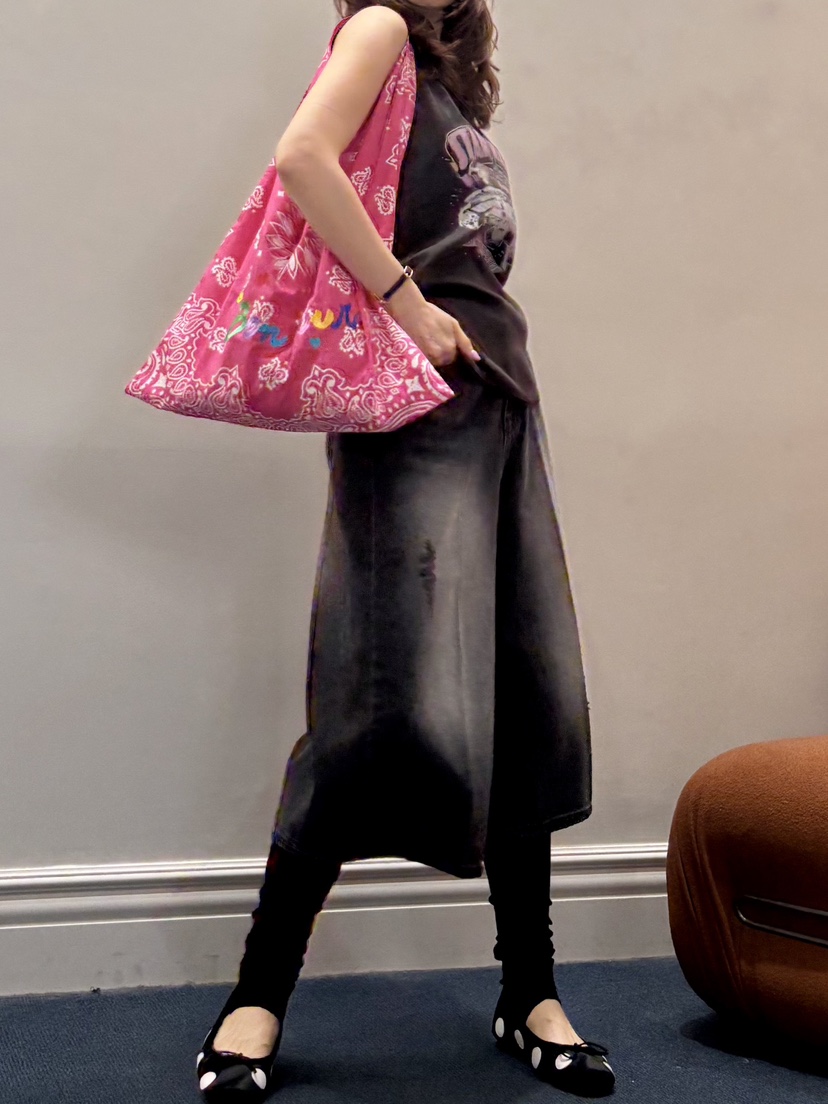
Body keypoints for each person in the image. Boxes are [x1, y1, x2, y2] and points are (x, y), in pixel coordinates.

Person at [196, 0, 615, 1097]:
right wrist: (408, 305)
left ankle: (530, 990)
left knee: (522, 693)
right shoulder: (377, 25)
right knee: (377, 700)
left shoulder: (445, 84)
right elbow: (302, 156)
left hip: (498, 399)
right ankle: (255, 996)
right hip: (415, 405)